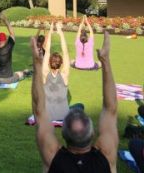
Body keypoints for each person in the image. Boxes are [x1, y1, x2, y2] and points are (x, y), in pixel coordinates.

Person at [31, 31, 118, 173]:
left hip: (51, 112)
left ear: (63, 134)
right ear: (92, 134)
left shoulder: (53, 156)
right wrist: (105, 60)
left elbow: (39, 111)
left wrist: (37, 63)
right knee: (78, 107)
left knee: (75, 108)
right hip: (62, 111)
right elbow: (111, 110)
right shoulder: (106, 156)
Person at [41, 22, 72, 121]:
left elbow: (47, 51)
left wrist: (50, 31)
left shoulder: (45, 73)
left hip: (47, 116)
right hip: (63, 116)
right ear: (62, 63)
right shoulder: (65, 74)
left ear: (49, 63)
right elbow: (66, 52)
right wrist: (60, 32)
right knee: (79, 106)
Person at [0, 12, 27, 84]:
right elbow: (12, 34)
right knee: (19, 73)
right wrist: (5, 20)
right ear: (5, 41)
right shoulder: (8, 47)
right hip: (7, 79)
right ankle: (25, 72)